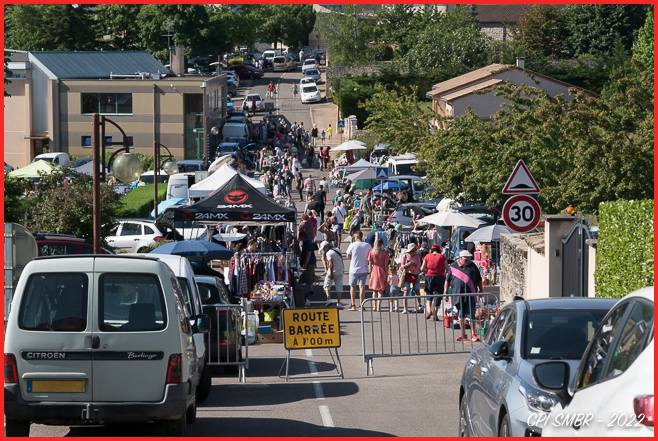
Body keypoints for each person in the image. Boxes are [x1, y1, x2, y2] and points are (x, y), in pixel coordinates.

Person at [445, 250, 483, 342]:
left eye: (469, 259)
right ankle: (463, 334)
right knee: (460, 315)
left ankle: (474, 334)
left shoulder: (473, 266)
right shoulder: (453, 266)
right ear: (460, 258)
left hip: (471, 294)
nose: (468, 261)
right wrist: (445, 291)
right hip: (458, 295)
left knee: (472, 315)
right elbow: (447, 280)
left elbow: (479, 279)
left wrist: (481, 290)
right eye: (466, 259)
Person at [345, 230, 372, 311]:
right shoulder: (367, 245)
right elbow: (370, 256)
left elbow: (347, 256)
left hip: (353, 269)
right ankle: (361, 305)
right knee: (362, 287)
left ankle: (353, 305)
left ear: (356, 237)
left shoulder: (352, 245)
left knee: (352, 287)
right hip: (363, 269)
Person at [420, 244, 447, 320]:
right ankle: (435, 314)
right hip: (440, 277)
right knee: (438, 294)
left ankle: (428, 310)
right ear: (439, 250)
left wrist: (428, 271)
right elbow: (447, 268)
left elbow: (422, 268)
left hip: (429, 276)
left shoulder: (427, 256)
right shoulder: (442, 257)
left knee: (429, 293)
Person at [320, 241, 344, 308]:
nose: (323, 250)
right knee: (339, 287)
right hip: (340, 270)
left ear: (326, 247)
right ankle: (338, 303)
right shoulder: (337, 249)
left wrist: (330, 273)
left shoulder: (329, 253)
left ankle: (328, 300)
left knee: (326, 285)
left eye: (324, 248)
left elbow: (330, 264)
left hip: (332, 271)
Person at [368, 239, 390, 312]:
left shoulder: (372, 252)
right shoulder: (385, 253)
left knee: (374, 291)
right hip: (382, 271)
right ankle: (378, 307)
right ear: (381, 244)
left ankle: (374, 306)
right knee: (380, 291)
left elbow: (370, 264)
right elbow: (386, 265)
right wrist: (387, 273)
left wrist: (370, 272)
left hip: (374, 270)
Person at [400, 243, 421, 314]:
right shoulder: (405, 256)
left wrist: (411, 266)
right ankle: (405, 308)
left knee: (417, 290)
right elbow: (402, 266)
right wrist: (407, 265)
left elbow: (418, 266)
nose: (413, 252)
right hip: (407, 275)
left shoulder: (417, 256)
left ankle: (420, 305)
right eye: (412, 251)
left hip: (415, 275)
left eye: (414, 250)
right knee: (406, 291)